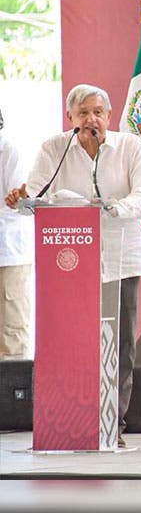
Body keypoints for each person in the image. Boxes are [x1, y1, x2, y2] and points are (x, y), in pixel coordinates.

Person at [4, 84, 141, 448]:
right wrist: (22, 200)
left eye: (98, 112)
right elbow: (37, 195)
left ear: (109, 115)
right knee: (71, 342)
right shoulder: (54, 149)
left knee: (118, 347)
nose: (92, 119)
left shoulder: (130, 147)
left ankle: (111, 427)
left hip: (120, 258)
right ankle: (69, 421)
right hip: (68, 263)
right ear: (70, 117)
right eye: (84, 113)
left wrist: (113, 209)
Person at [0, 109, 34, 359]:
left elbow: (18, 207)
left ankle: (12, 398)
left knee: (11, 334)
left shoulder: (10, 151)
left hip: (8, 257)